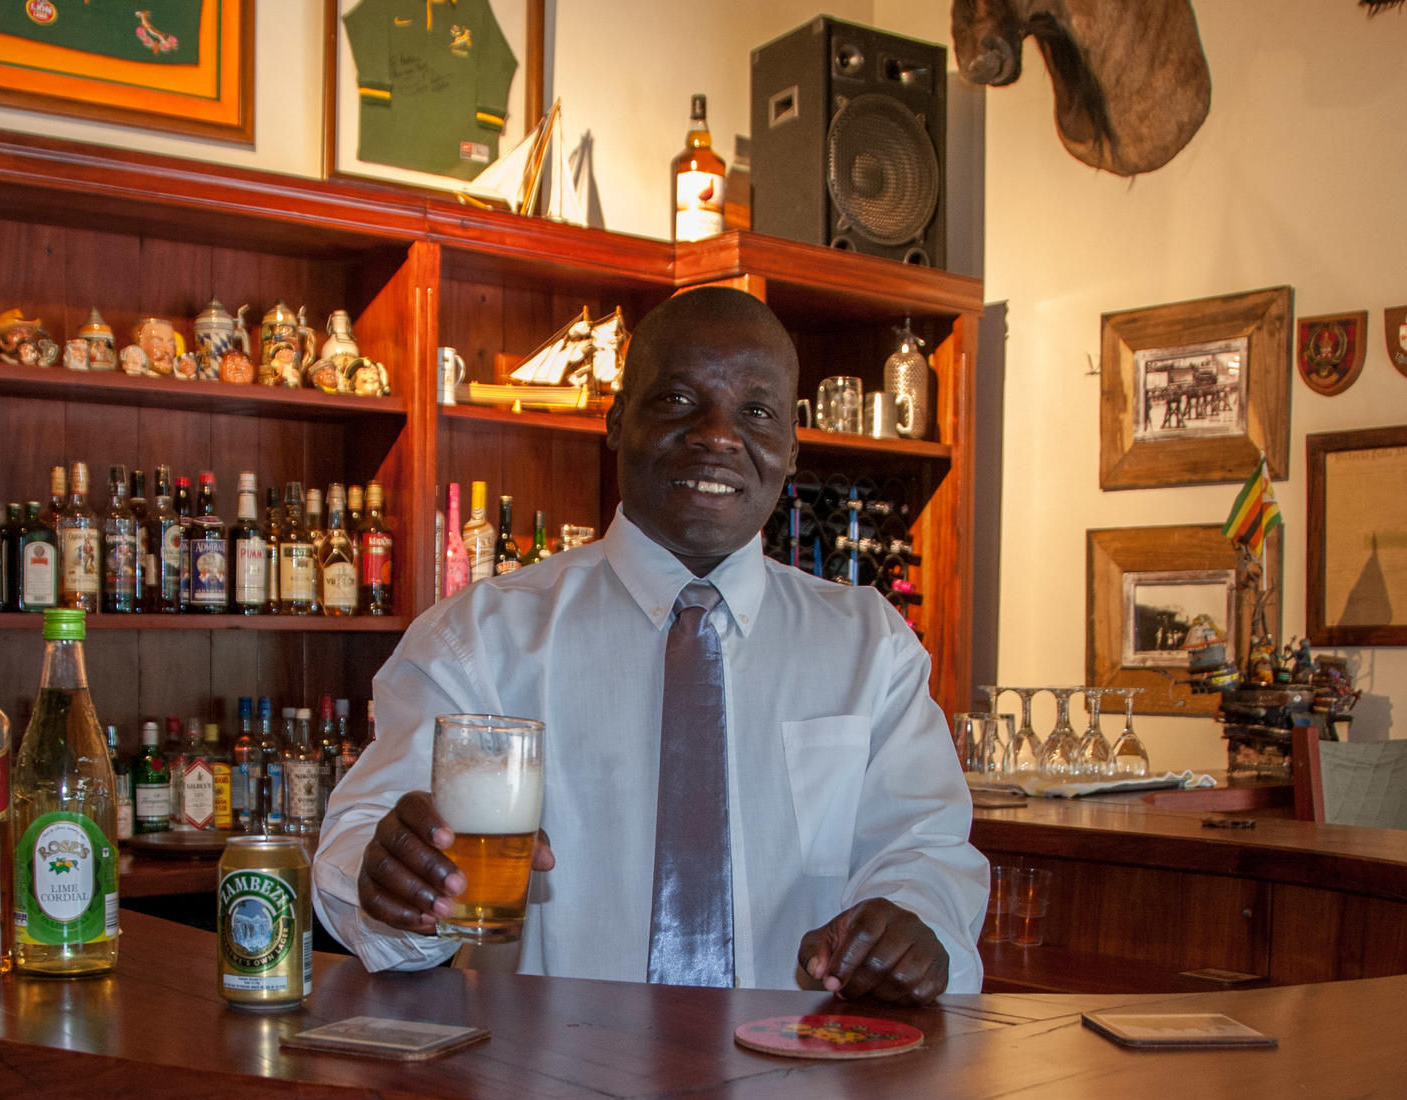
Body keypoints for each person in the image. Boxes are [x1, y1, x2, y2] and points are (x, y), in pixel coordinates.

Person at [312, 287, 986, 1004]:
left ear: (792, 447)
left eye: (755, 413)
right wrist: (392, 882)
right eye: (677, 401)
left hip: (802, 1086)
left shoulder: (870, 646)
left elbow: (924, 848)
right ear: (616, 420)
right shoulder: (477, 639)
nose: (718, 436)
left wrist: (917, 925)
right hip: (554, 1091)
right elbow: (359, 844)